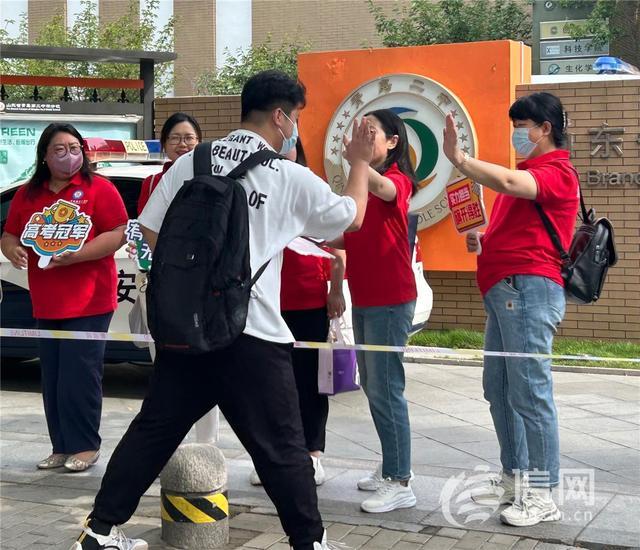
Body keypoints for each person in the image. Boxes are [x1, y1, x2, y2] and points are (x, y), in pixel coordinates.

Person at [69, 70, 374, 550]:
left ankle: (99, 531)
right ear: (280, 116)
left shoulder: (191, 161)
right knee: (282, 449)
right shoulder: (287, 175)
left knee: (153, 431)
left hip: (186, 329)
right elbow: (351, 217)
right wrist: (357, 162)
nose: (294, 126)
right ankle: (310, 543)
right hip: (251, 332)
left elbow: (149, 234)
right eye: (294, 117)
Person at [441, 92, 579, 527]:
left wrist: (461, 160)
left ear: (546, 129)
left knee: (530, 392)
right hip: (506, 291)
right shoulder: (526, 172)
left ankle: (542, 491)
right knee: (498, 389)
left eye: (523, 125)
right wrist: (482, 239)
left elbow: (509, 184)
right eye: (515, 124)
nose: (517, 133)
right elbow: (511, 206)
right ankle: (516, 476)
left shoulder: (556, 171)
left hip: (529, 290)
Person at [1, 123, 128, 473]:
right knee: (54, 376)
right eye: (59, 149)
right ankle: (61, 445)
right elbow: (10, 234)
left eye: (74, 147)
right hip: (46, 301)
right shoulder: (29, 194)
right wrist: (13, 251)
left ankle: (86, 446)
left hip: (89, 300)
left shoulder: (99, 189)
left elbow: (118, 233)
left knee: (80, 374)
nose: (68, 155)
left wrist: (79, 254)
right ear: (44, 155)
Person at [330, 109, 418, 514]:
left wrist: (358, 160)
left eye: (371, 132)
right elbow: (349, 231)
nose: (362, 138)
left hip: (390, 299)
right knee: (374, 386)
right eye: (358, 131)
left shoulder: (396, 181)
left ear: (393, 142)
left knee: (386, 388)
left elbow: (380, 188)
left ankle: (400, 481)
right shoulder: (363, 179)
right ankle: (390, 466)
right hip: (367, 298)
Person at [249, 139, 347, 487]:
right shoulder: (257, 185)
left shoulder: (309, 187)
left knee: (310, 382)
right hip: (266, 303)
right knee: (272, 385)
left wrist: (335, 290)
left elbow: (338, 248)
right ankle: (276, 455)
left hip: (307, 301)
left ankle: (312, 454)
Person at [133, 112, 217, 445]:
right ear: (165, 144)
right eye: (175, 139)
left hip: (202, 288)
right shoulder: (152, 183)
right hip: (164, 283)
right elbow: (145, 228)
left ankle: (205, 445)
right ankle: (169, 443)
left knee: (204, 367)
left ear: (200, 143)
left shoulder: (214, 179)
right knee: (166, 368)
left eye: (189, 138)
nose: (183, 145)